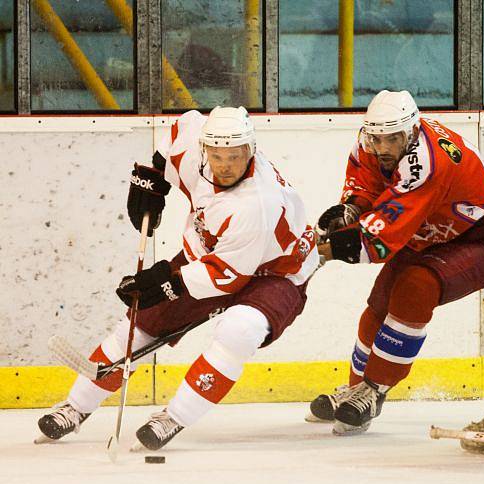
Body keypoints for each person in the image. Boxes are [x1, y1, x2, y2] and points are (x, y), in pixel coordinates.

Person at [36, 106, 319, 450]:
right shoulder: (193, 147)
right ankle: (75, 407)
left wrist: (162, 282)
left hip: (277, 270)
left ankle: (175, 416)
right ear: (205, 150)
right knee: (140, 323)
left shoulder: (256, 205)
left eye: (235, 156)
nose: (226, 165)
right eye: (217, 155)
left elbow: (224, 279)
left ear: (251, 150)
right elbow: (179, 129)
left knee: (240, 329)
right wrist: (154, 176)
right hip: (215, 254)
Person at [306, 89, 484, 435]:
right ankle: (355, 388)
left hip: (482, 235)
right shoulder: (368, 142)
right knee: (381, 300)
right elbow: (365, 186)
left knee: (416, 287)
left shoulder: (426, 162)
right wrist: (352, 208)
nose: (383, 148)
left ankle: (375, 390)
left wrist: (322, 250)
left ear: (410, 132)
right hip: (431, 228)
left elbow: (376, 241)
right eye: (377, 138)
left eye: (393, 139)